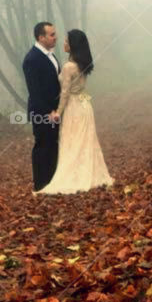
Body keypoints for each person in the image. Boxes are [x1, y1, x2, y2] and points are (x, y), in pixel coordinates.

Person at [38, 29, 114, 194]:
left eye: (67, 41)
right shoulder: (82, 63)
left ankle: (74, 176)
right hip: (85, 105)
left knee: (72, 141)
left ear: (73, 45)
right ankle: (90, 174)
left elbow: (65, 93)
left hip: (73, 106)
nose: (63, 43)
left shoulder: (68, 66)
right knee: (85, 141)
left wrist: (58, 112)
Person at [22, 21, 61, 191]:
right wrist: (48, 112)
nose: (55, 37)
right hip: (42, 112)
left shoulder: (50, 55)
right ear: (41, 37)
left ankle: (52, 182)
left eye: (54, 33)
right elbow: (35, 91)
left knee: (53, 145)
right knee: (42, 146)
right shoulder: (32, 59)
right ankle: (40, 185)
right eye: (51, 34)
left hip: (55, 111)